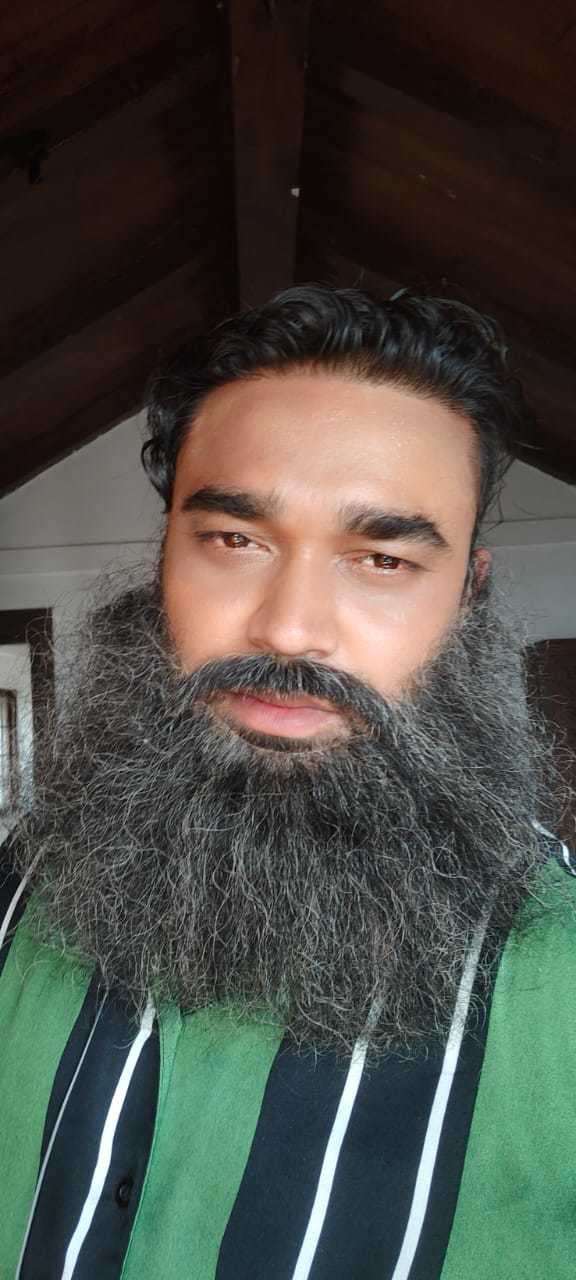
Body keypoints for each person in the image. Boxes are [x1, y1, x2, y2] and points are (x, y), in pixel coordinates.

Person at [0, 285, 573, 1280]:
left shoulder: (559, 969)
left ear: (467, 594)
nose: (290, 627)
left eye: (382, 558)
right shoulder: (23, 881)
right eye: (235, 540)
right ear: (166, 551)